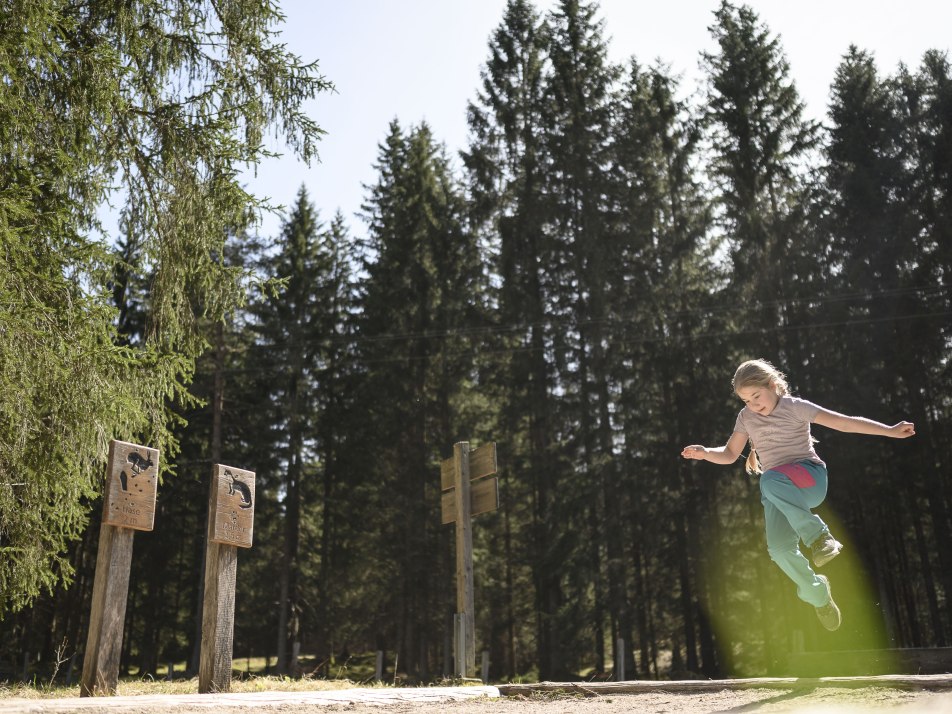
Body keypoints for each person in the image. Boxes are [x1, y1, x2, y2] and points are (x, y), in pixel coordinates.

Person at [680, 359, 915, 631]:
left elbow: (844, 423)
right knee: (779, 550)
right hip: (777, 490)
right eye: (746, 400)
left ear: (773, 385)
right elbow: (731, 453)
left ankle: (819, 537)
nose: (754, 405)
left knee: (768, 479)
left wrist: (888, 430)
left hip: (809, 478)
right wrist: (705, 453)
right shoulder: (746, 418)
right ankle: (819, 595)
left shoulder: (795, 407)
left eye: (757, 396)